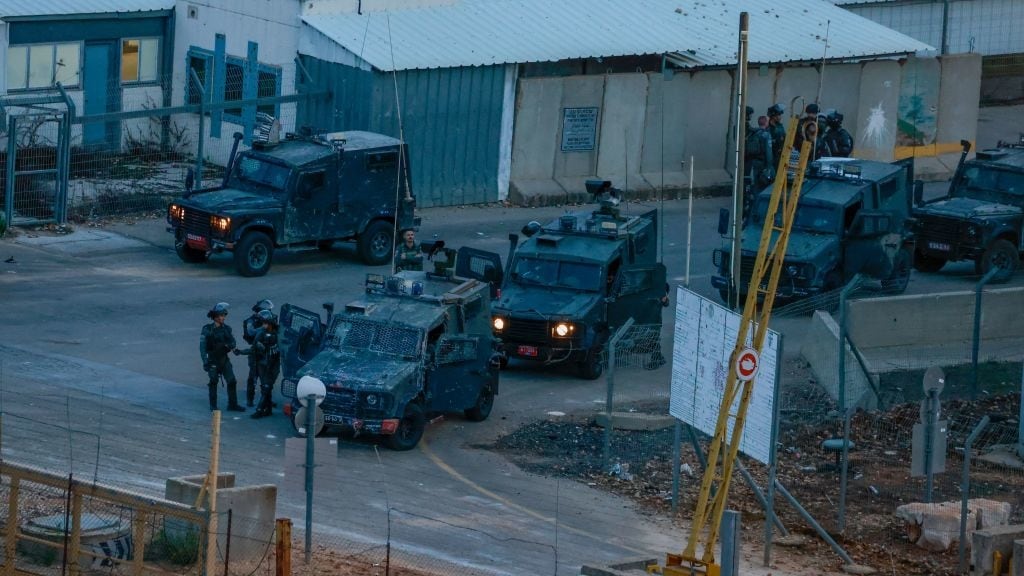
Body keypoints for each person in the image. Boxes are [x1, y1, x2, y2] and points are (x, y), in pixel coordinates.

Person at [236, 309, 281, 419]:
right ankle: (267, 409)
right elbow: (253, 349)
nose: (263, 325)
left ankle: (260, 410)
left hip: (273, 365)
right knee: (265, 387)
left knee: (267, 387)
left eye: (265, 323)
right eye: (263, 323)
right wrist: (241, 352)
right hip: (263, 365)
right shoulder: (261, 335)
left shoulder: (279, 335)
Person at [200, 302, 245, 412]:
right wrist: (205, 361)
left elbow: (232, 341)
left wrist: (231, 345)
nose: (223, 318)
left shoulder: (226, 329)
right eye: (221, 315)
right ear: (215, 316)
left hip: (224, 359)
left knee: (232, 381)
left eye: (224, 315)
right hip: (212, 360)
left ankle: (233, 405)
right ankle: (213, 406)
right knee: (213, 382)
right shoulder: (207, 329)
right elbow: (202, 347)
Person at [242, 299, 274, 407]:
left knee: (267, 379)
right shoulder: (251, 321)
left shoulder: (267, 320)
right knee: (253, 378)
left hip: (266, 352)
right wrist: (263, 327)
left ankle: (267, 400)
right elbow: (251, 332)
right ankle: (250, 400)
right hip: (255, 353)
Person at [744, 106, 774, 190]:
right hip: (762, 164)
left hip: (751, 163)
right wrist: (769, 167)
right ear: (766, 123)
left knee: (754, 185)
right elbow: (769, 153)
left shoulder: (751, 133)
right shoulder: (765, 135)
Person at [766, 104, 786, 171]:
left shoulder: (780, 126)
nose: (780, 117)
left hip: (780, 156)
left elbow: (784, 137)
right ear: (774, 116)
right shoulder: (768, 128)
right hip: (772, 158)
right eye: (779, 115)